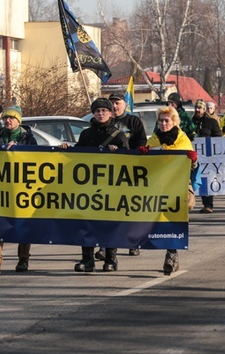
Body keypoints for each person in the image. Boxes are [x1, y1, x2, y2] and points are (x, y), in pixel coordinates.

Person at [62, 98, 130, 273]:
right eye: (97, 111)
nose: (101, 114)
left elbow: (129, 161)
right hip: (88, 188)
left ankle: (111, 259)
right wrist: (67, 149)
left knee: (109, 223)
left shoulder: (118, 135)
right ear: (93, 114)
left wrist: (119, 152)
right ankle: (87, 259)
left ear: (110, 113)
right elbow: (78, 156)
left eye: (104, 111)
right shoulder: (86, 134)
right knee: (86, 223)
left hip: (111, 188)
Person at [141, 106, 198, 275]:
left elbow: (193, 166)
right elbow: (143, 164)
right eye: (161, 120)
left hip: (178, 185)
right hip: (159, 187)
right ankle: (171, 255)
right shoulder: (154, 140)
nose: (164, 123)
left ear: (174, 122)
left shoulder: (182, 139)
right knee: (162, 221)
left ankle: (171, 254)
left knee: (176, 217)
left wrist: (193, 160)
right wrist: (142, 155)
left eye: (167, 120)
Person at [0, 105, 37, 275]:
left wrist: (18, 150)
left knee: (23, 224)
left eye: (12, 118)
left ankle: (23, 259)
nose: (8, 120)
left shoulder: (28, 138)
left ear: (18, 121)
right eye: (6, 117)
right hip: (1, 188)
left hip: (22, 188)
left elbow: (35, 159)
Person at [106, 91, 148, 257]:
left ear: (125, 104)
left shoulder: (134, 121)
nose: (115, 106)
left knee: (130, 207)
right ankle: (110, 245)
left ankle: (133, 242)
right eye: (112, 103)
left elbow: (141, 143)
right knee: (111, 209)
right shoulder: (105, 122)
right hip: (109, 172)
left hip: (130, 170)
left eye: (118, 103)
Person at [192, 99, 222, 213]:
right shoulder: (191, 122)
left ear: (204, 110)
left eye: (199, 108)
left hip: (208, 156)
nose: (197, 110)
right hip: (195, 156)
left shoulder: (211, 122)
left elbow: (218, 137)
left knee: (207, 178)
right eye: (196, 108)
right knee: (196, 178)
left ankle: (208, 204)